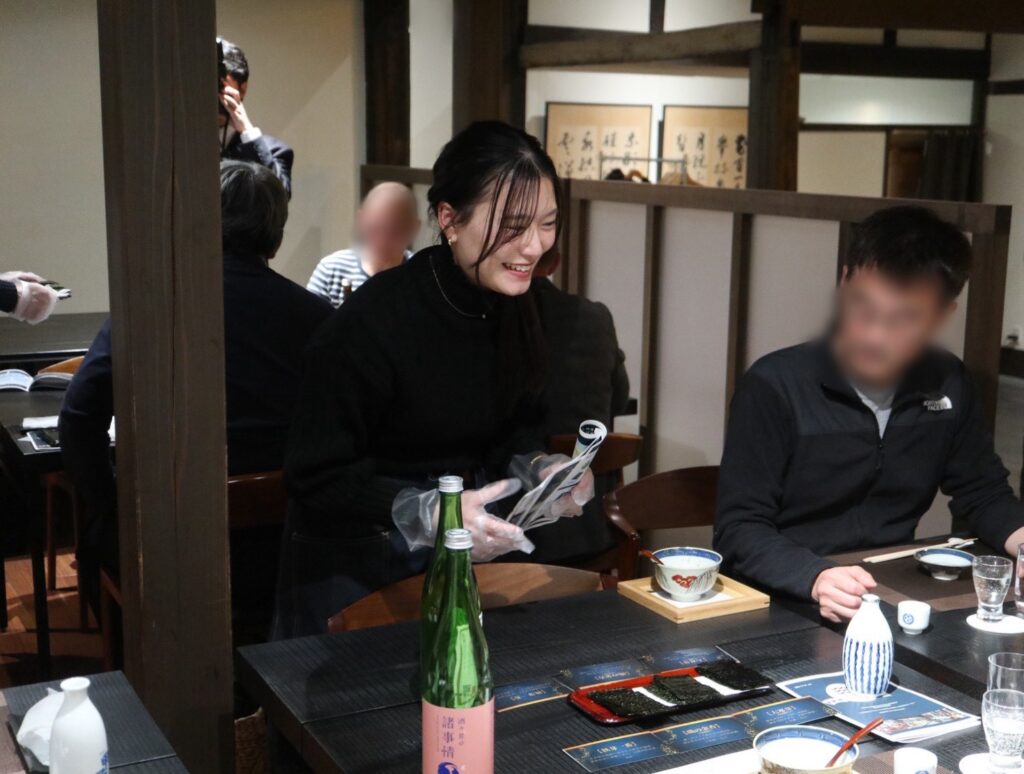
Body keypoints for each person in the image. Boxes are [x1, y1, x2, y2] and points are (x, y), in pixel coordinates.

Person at [278, 121, 594, 637]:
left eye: (548, 224)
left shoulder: (517, 305)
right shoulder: (372, 324)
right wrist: (426, 510)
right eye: (513, 226)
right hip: (358, 566)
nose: (534, 247)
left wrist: (541, 468)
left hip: (462, 553)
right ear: (449, 219)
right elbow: (315, 474)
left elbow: (515, 426)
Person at [714, 205, 1024, 623]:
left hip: (887, 594)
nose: (875, 335)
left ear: (942, 316)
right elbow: (738, 528)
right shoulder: (776, 385)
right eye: (863, 306)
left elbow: (983, 492)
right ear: (844, 282)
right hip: (782, 596)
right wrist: (814, 576)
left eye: (904, 319)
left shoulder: (947, 382)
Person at [60, 160, 330, 634]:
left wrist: (112, 503)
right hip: (286, 540)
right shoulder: (316, 316)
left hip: (167, 538)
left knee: (100, 539)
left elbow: (80, 417)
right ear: (276, 237)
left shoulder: (150, 306)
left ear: (194, 222)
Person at [528, 252, 629, 564]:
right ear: (555, 263)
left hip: (517, 530)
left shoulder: (496, 316)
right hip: (593, 522)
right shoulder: (596, 316)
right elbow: (620, 399)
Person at [307, 182, 420, 307]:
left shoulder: (420, 277)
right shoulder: (331, 270)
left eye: (394, 230)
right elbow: (309, 316)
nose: (382, 239)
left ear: (413, 228)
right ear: (361, 220)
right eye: (375, 228)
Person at [217, 37, 294, 198]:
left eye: (220, 85)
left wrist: (246, 131)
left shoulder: (275, 150)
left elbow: (279, 197)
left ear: (242, 89)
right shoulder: (184, 142)